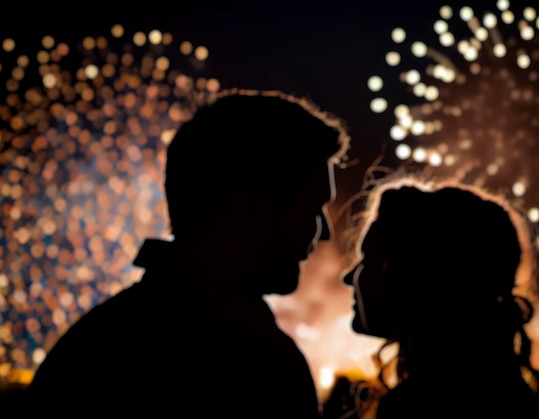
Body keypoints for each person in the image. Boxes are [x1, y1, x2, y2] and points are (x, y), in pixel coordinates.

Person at [26, 89, 350, 417]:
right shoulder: (257, 366)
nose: (324, 231)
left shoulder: (89, 347)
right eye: (312, 207)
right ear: (250, 207)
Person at [341, 176, 539, 418]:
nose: (348, 277)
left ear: (412, 274)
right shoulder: (509, 399)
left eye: (369, 260)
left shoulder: (417, 407)